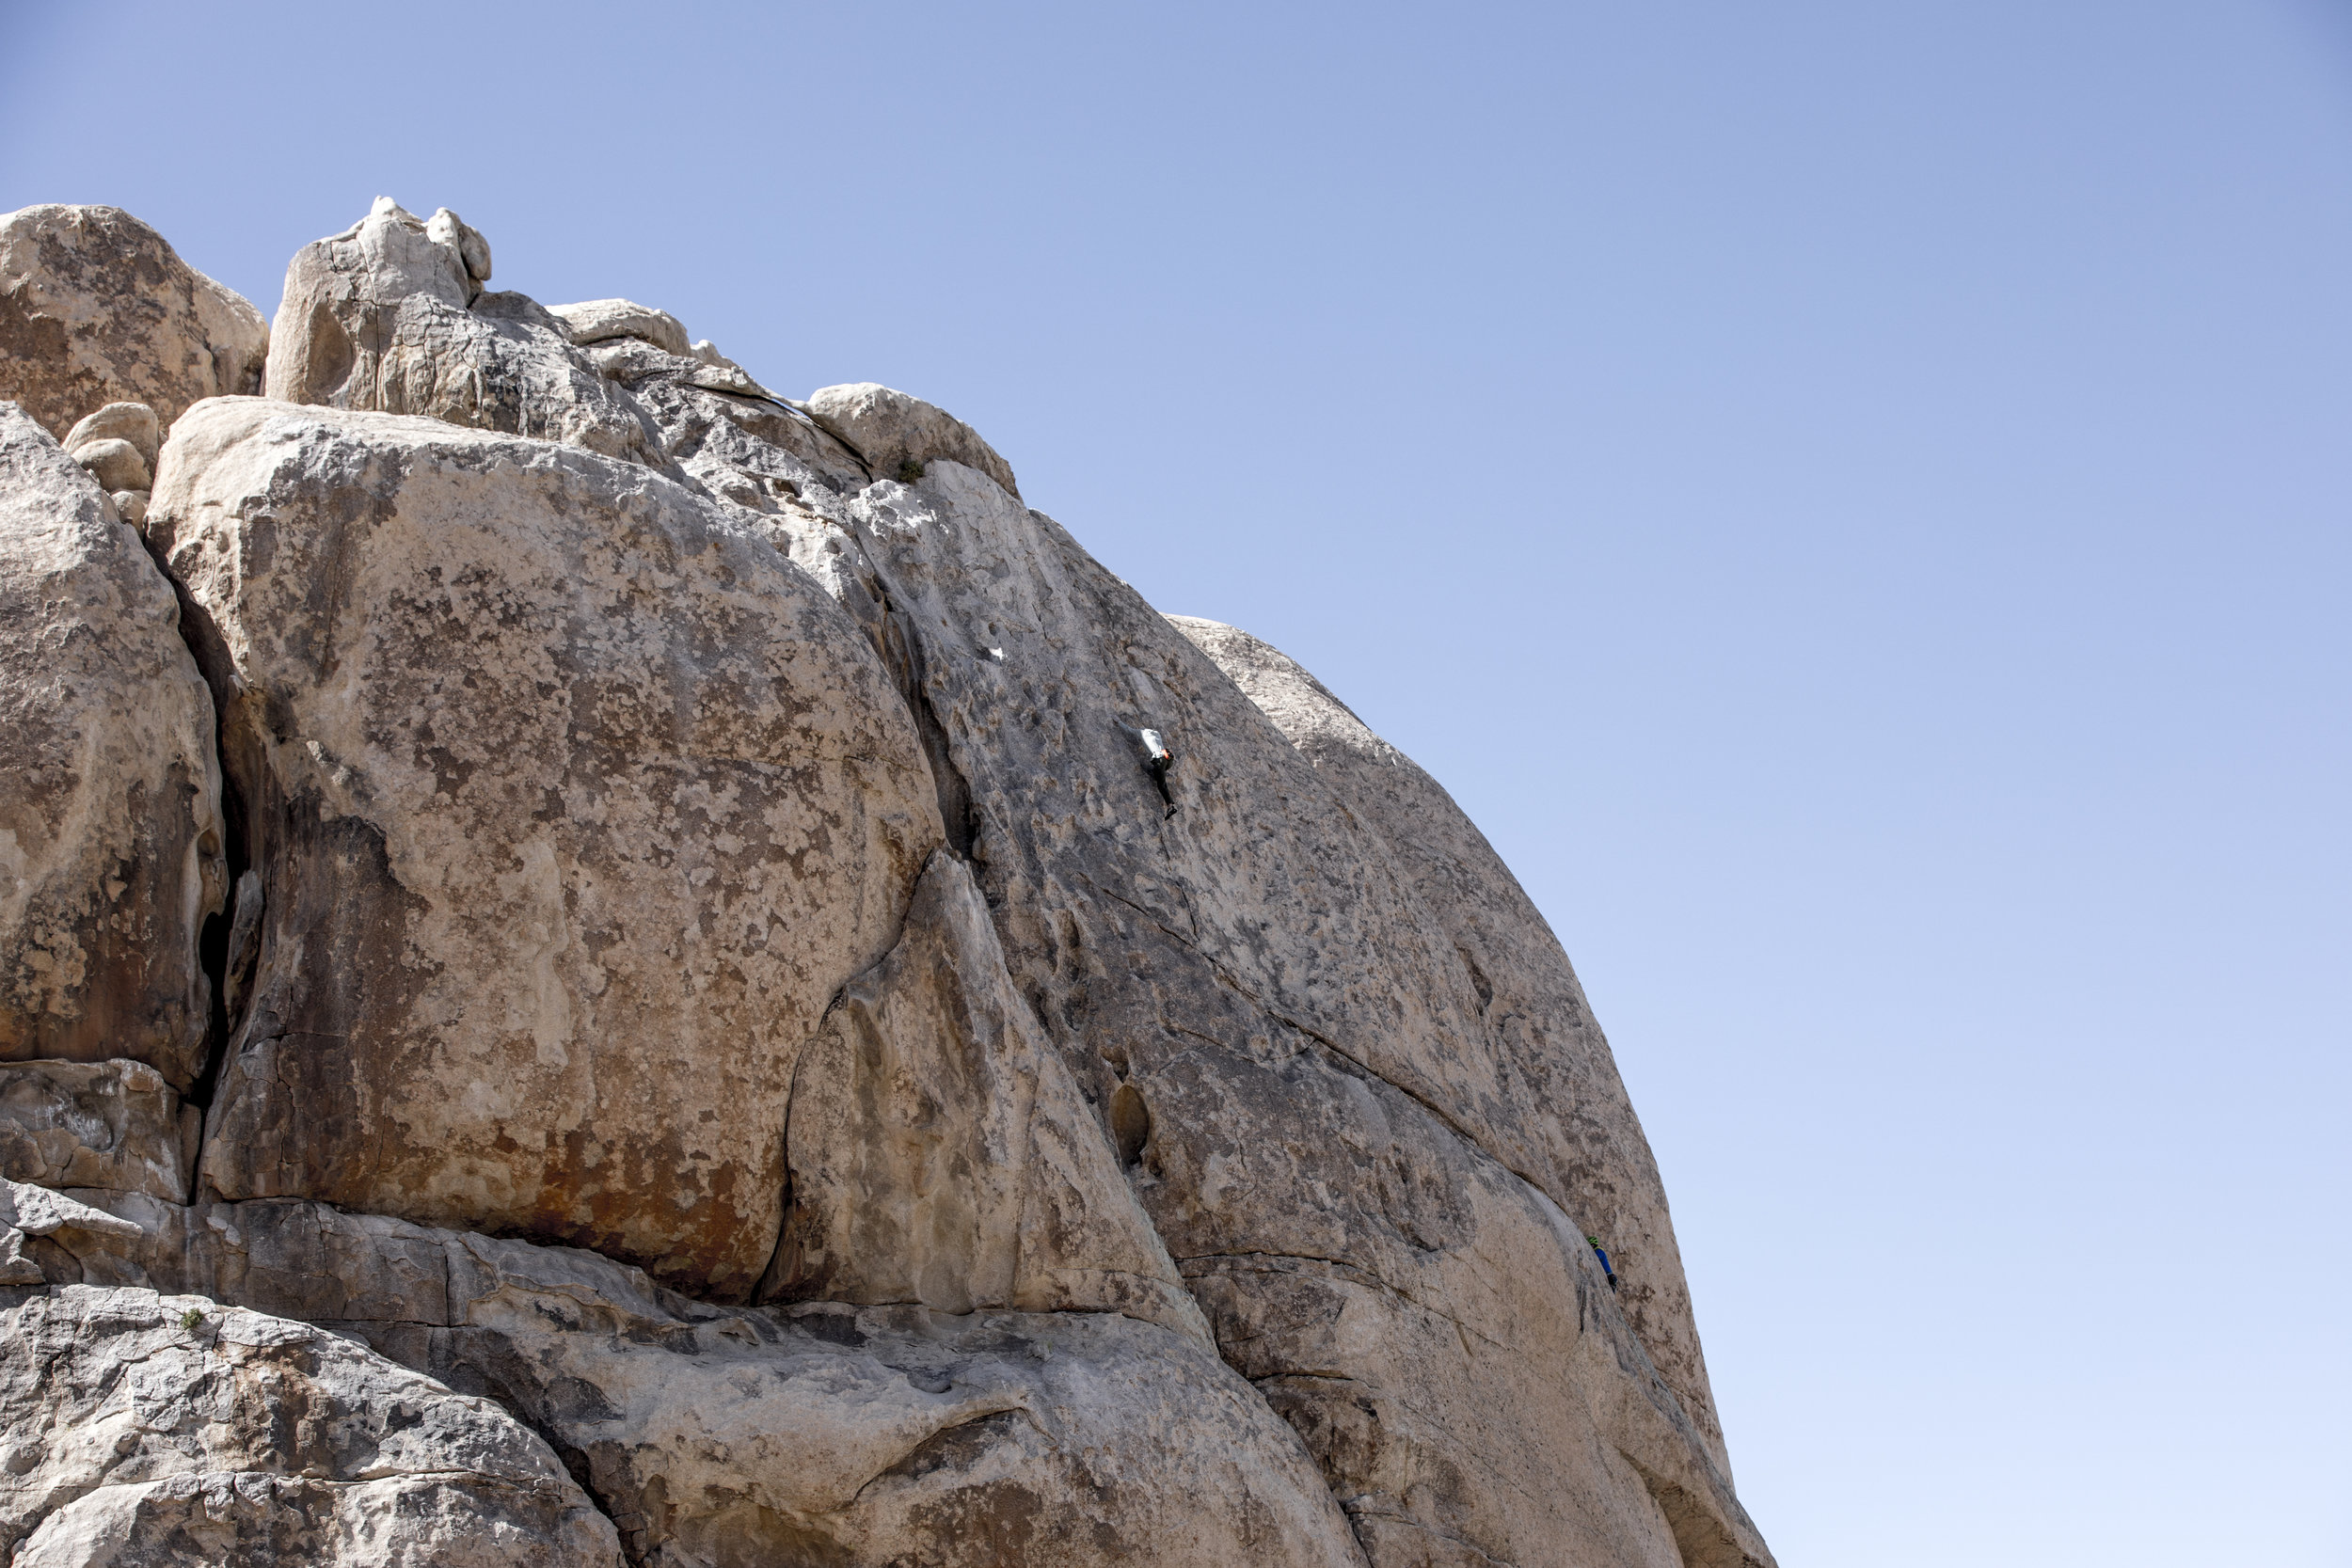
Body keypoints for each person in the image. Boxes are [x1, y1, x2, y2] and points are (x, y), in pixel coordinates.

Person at [1139, 728, 1177, 818]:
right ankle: (1170, 804)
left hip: (1160, 760)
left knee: (1161, 785)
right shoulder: (1157, 734)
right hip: (1168, 760)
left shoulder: (1142, 732)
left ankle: (1170, 806)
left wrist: (1119, 722)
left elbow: (1129, 730)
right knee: (1161, 780)